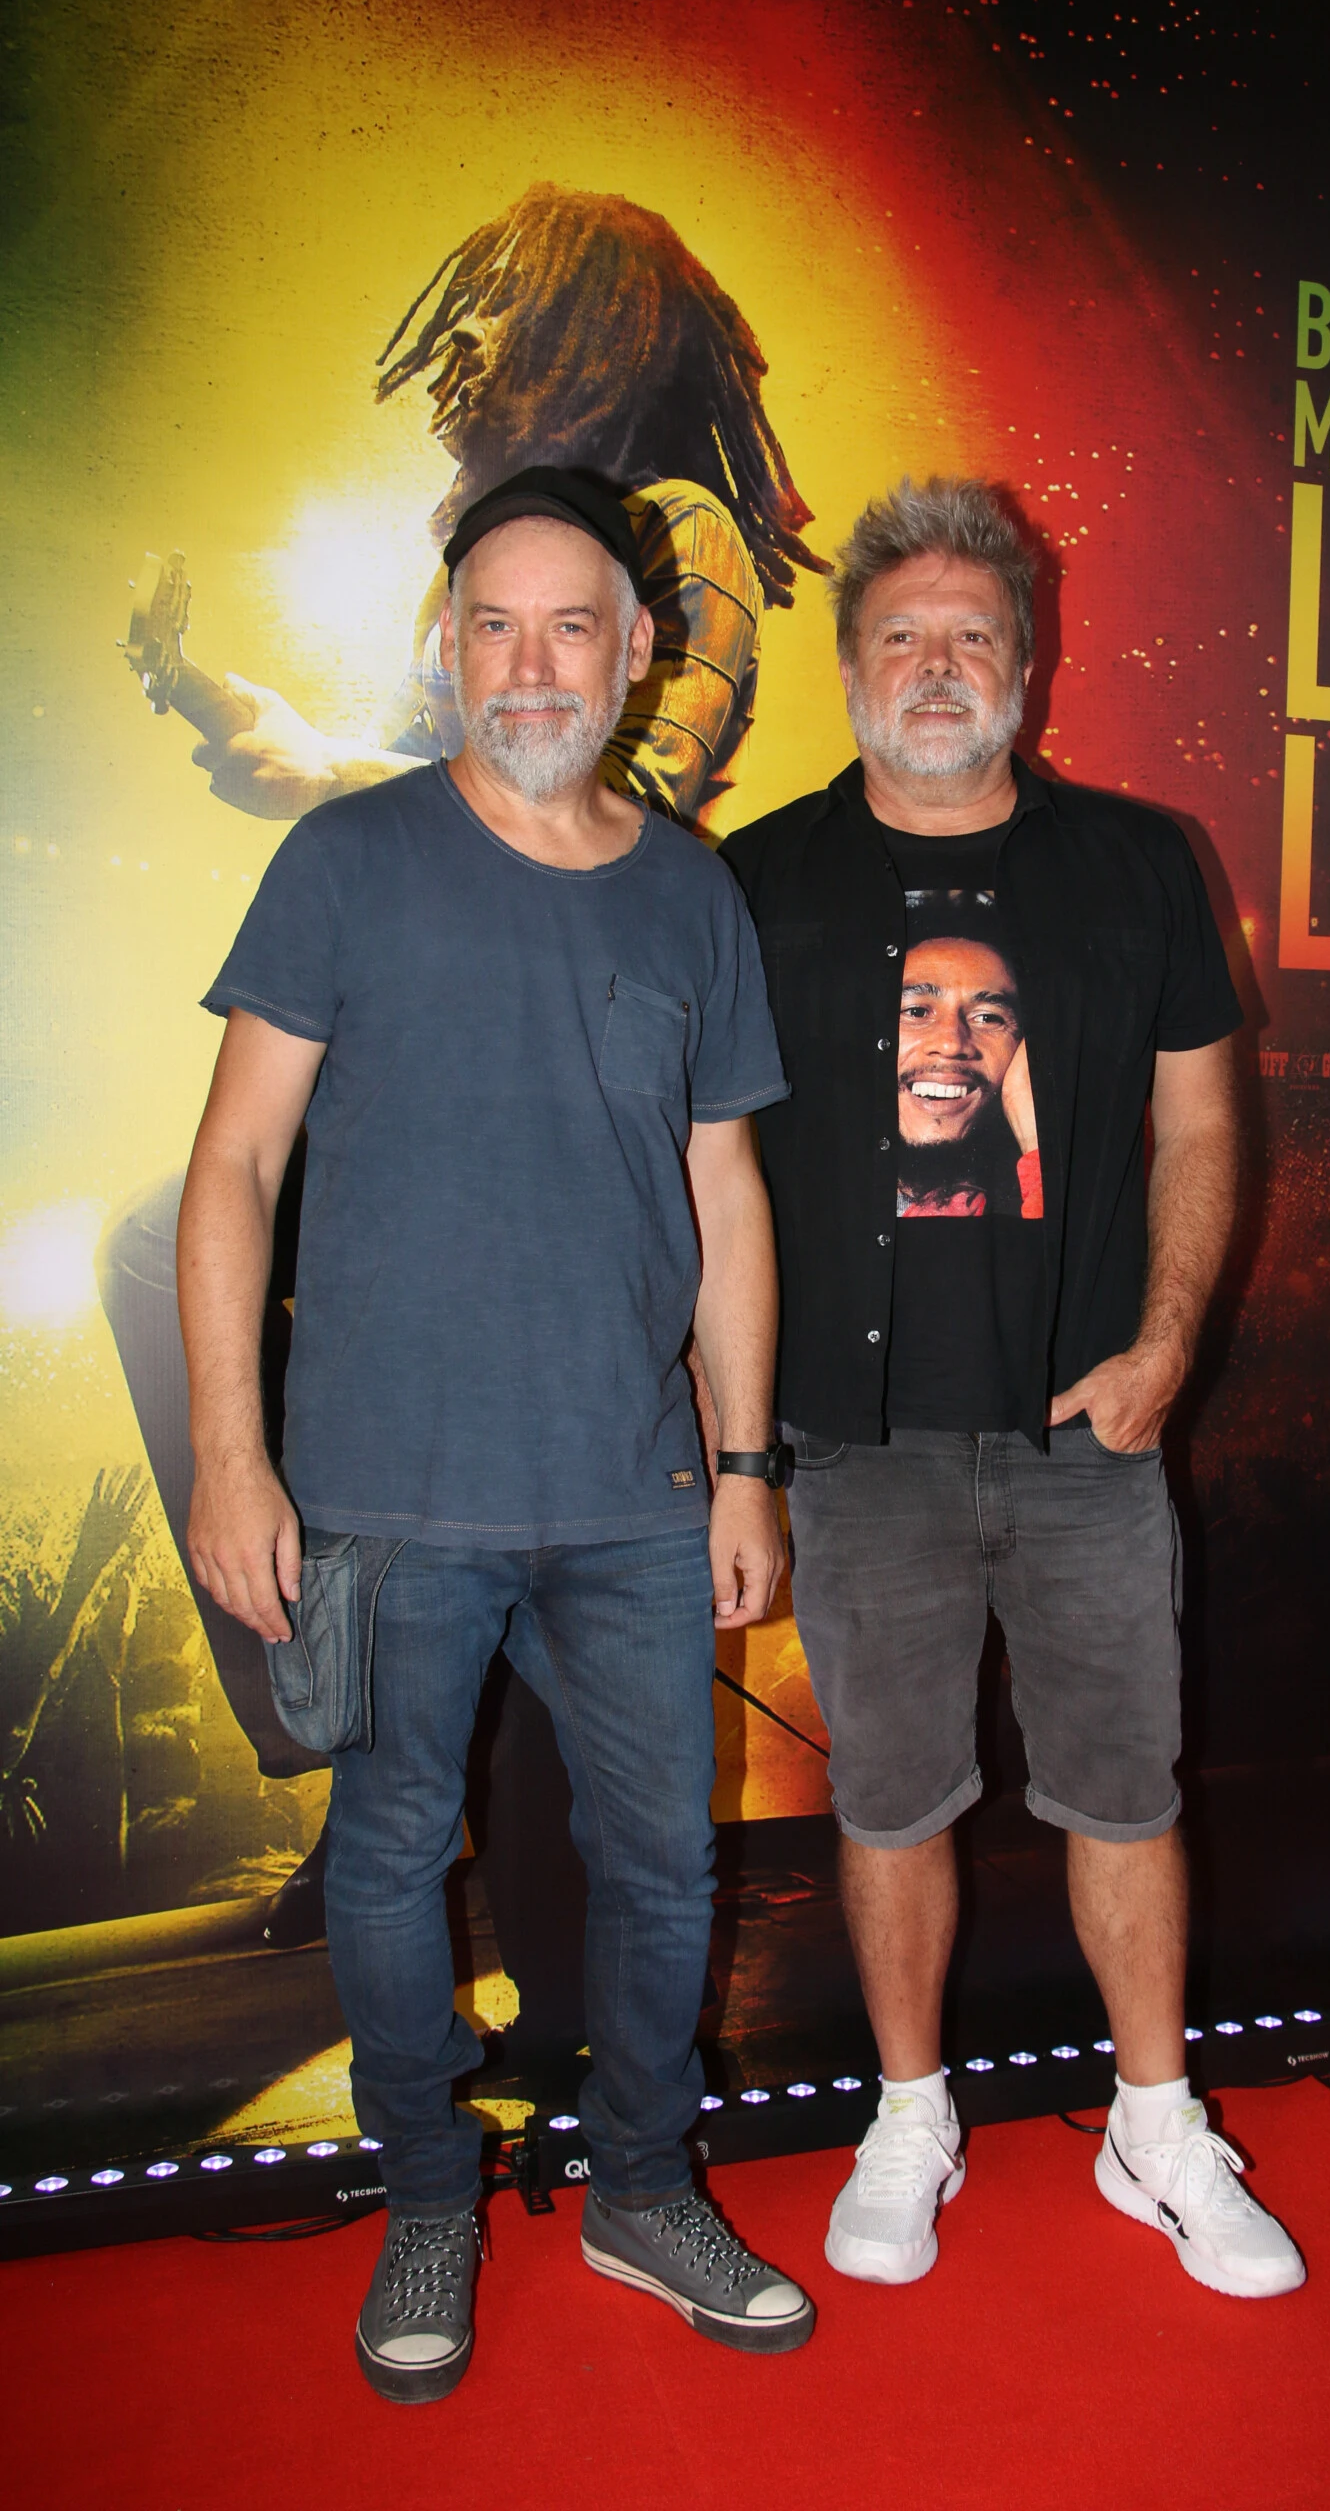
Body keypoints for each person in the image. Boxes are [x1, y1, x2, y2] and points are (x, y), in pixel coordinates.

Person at [105, 186, 827, 1956]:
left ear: (596, 320)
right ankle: (346, 1723)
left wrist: (322, 769)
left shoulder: (675, 536)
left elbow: (598, 801)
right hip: (442, 1067)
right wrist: (233, 715)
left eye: (510, 302)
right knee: (159, 1248)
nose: (476, 340)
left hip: (590, 1084)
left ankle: (447, 1808)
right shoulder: (494, 574)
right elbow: (423, 795)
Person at [178, 468, 814, 2400]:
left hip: (634, 1494)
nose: (531, 664)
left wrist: (745, 1462)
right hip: (386, 1499)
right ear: (447, 647)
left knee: (665, 1868)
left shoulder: (691, 891)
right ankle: (430, 2195)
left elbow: (724, 1194)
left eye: (571, 626)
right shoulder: (349, 861)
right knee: (389, 1860)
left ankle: (642, 2187)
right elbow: (233, 1168)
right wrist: (230, 1454)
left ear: (637, 655)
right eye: (494, 625)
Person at [719, 476, 1305, 2301]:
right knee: (889, 1801)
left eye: (971, 634)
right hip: (859, 1447)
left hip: (1084, 1433)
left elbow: (1199, 1122)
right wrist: (736, 1446)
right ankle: (911, 2116)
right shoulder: (753, 882)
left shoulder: (1138, 863)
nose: (936, 665)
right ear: (848, 669)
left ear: (1027, 667)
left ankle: (1154, 2125)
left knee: (1124, 1794)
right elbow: (705, 1172)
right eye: (900, 635)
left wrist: (1167, 1347)